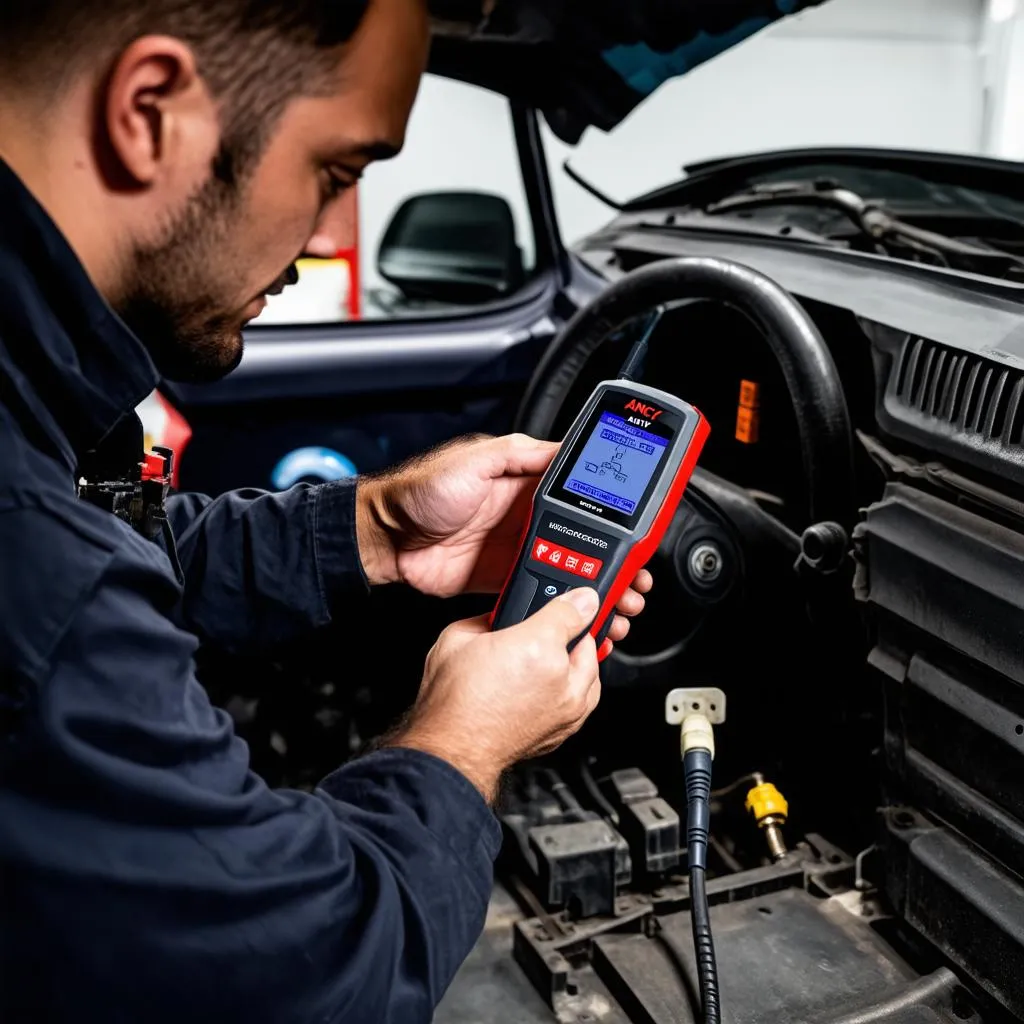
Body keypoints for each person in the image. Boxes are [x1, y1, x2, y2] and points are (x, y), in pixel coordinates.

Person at [0, 1, 653, 1021]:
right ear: (150, 112)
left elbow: (110, 548)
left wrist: (376, 527)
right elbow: (313, 975)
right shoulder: (33, 554)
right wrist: (464, 740)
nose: (321, 239)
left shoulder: (32, 407)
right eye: (336, 172)